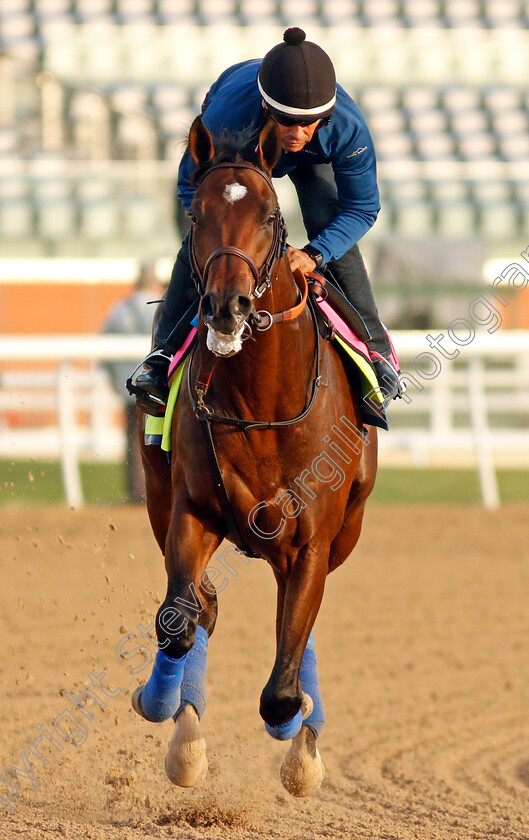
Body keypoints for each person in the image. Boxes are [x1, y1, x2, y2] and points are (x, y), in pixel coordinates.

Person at [132, 27, 403, 415]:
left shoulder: (347, 127)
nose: (295, 134)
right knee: (209, 241)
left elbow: (362, 208)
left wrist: (314, 254)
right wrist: (215, 235)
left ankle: (377, 353)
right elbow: (187, 187)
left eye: (307, 123)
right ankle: (161, 357)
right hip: (237, 152)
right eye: (286, 121)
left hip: (312, 164)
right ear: (266, 108)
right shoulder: (228, 116)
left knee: (326, 215)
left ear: (325, 117)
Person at [102, 261, 166, 502]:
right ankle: (158, 492)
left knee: (133, 437)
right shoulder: (162, 306)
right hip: (158, 385)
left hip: (127, 385)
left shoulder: (119, 309)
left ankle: (136, 491)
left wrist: (114, 381)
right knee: (160, 437)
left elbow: (103, 347)